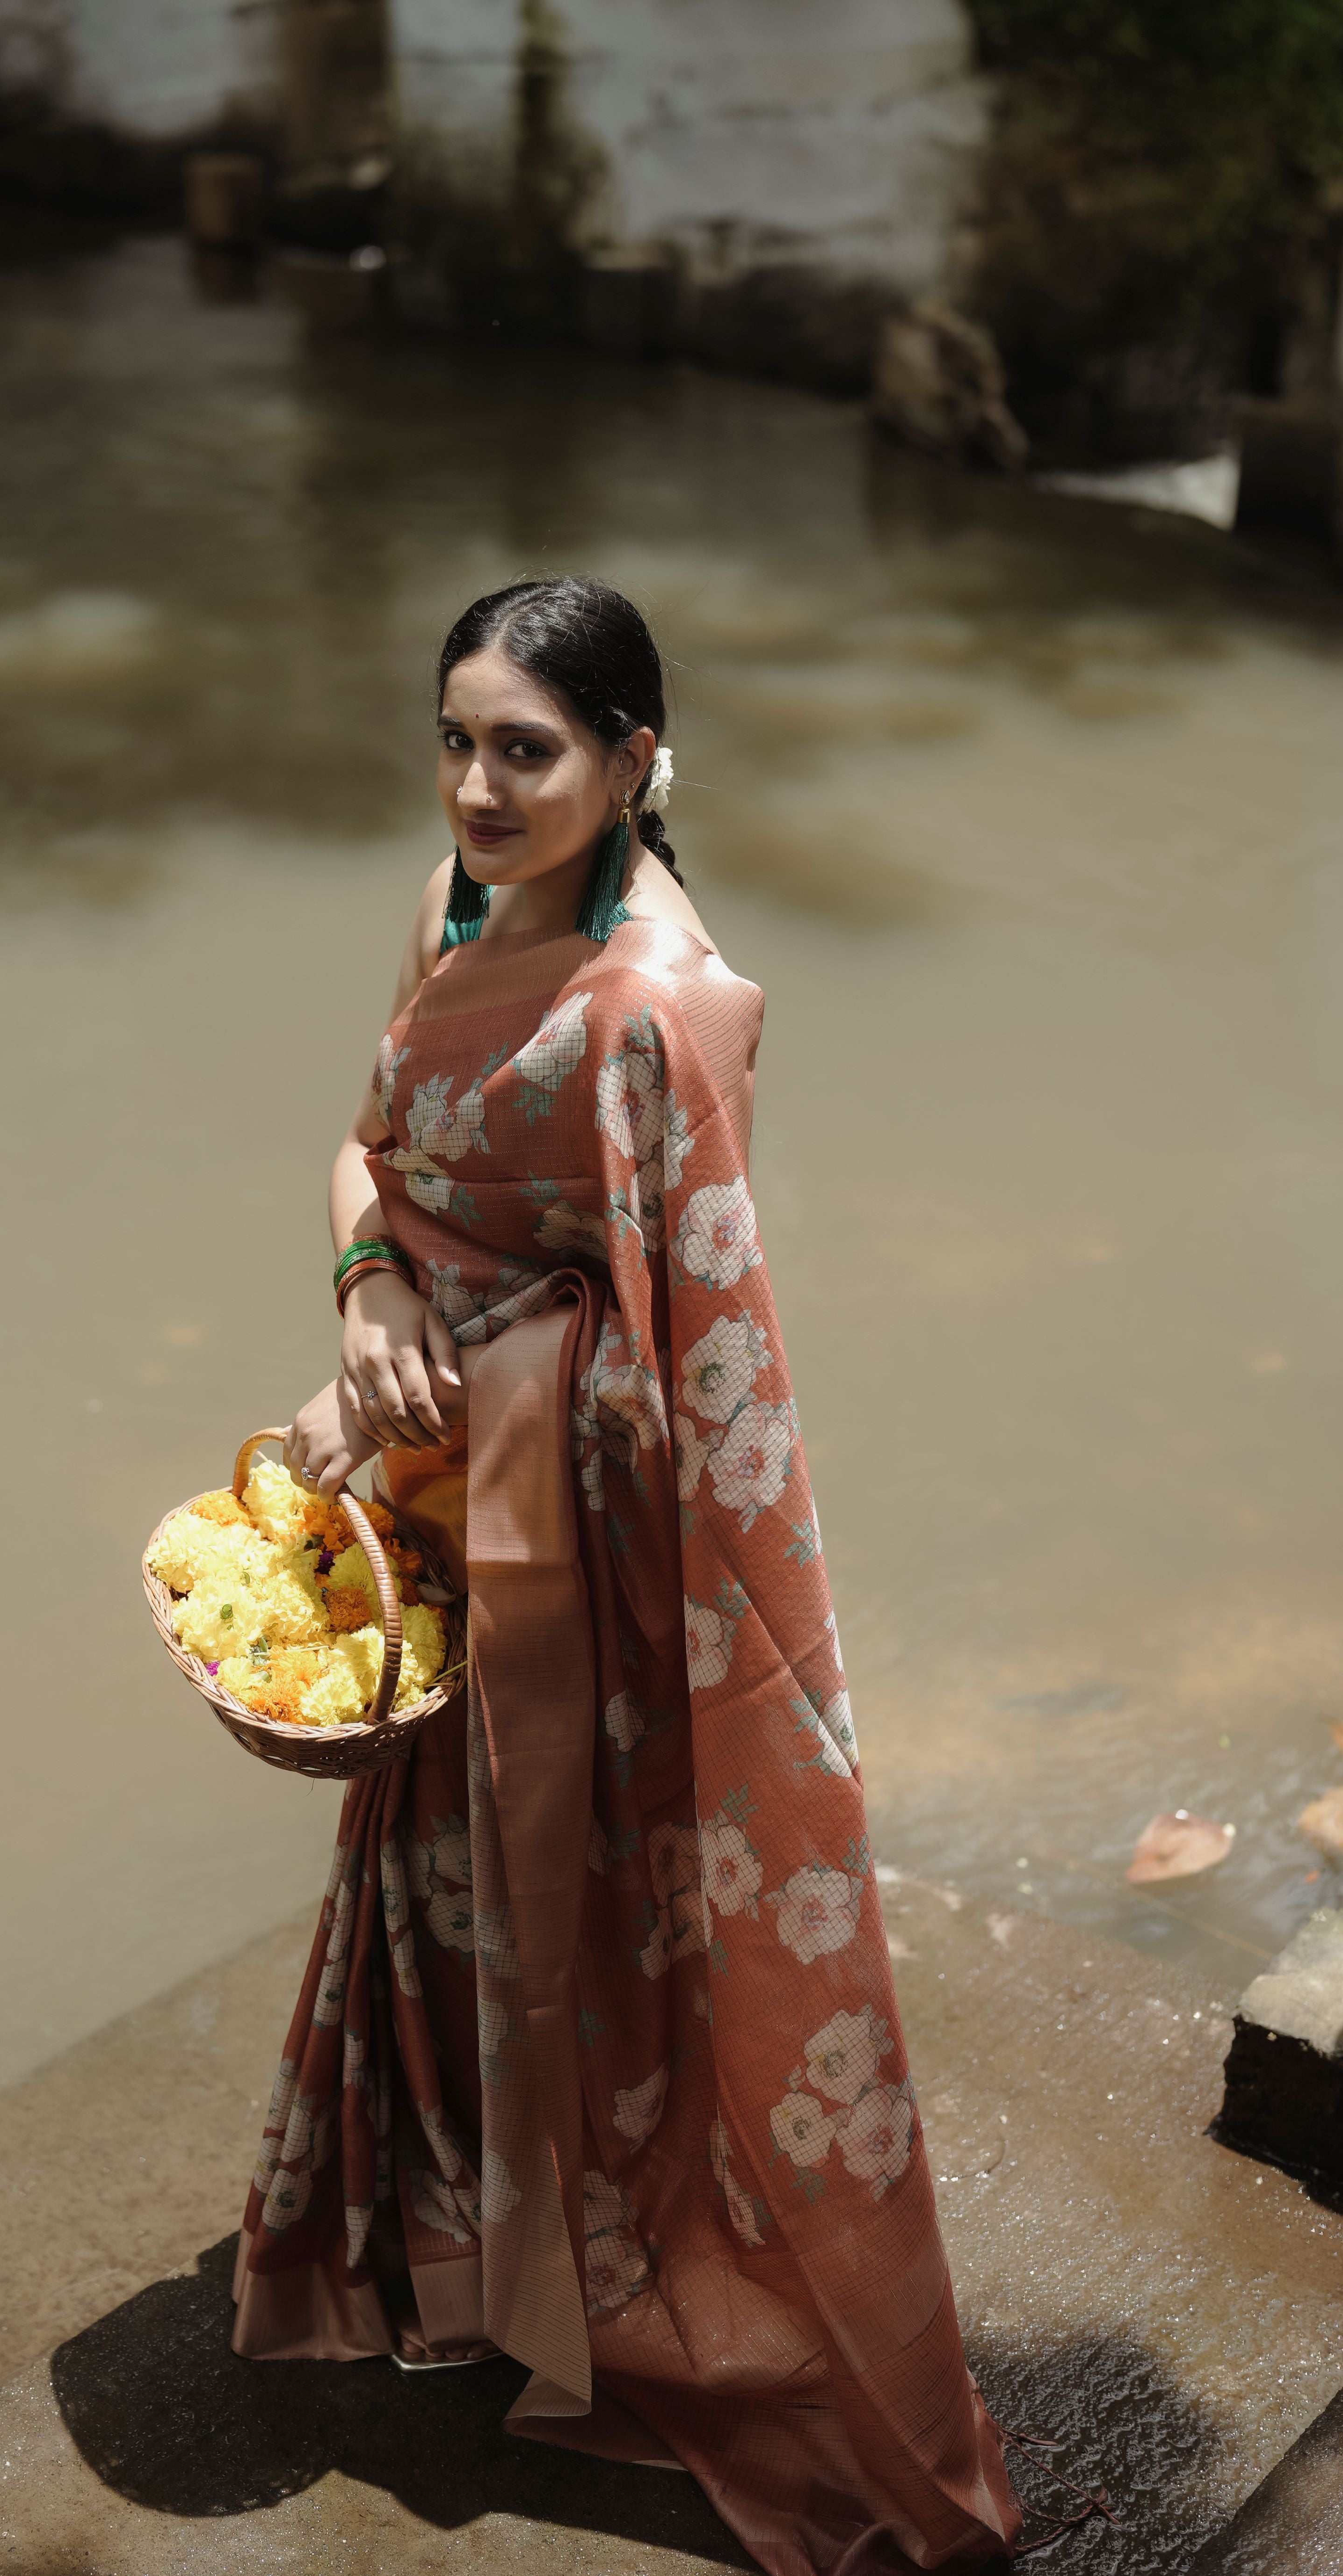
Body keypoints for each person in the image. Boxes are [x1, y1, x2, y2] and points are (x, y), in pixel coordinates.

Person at [232, 577, 1023, 2573]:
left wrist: (444, 1386)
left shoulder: (661, 1010)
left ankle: (589, 2272)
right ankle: (444, 2248)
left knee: (571, 1908)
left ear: (634, 760)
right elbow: (361, 1148)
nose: (480, 786)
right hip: (442, 1471)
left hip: (576, 1526)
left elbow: (697, 1359)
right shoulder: (443, 907)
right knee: (429, 1869)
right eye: (459, 739)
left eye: (529, 750)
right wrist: (370, 1286)